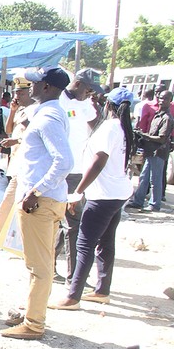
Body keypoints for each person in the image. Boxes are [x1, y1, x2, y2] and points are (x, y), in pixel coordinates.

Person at [1, 67, 74, 340]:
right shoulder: (49, 113)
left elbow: (64, 161)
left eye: (34, 83)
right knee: (40, 263)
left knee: (39, 267)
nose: (28, 86)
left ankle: (34, 324)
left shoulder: (49, 117)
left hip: (41, 201)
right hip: (47, 199)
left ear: (46, 87)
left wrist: (35, 191)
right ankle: (33, 313)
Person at [51, 87, 136, 310]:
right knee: (106, 241)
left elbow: (99, 162)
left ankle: (73, 296)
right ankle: (101, 290)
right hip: (118, 192)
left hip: (103, 195)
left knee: (84, 243)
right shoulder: (123, 128)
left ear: (108, 105)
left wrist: (78, 192)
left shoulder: (109, 127)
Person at [56, 68, 103, 283]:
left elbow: (97, 127)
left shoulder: (86, 104)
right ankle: (70, 276)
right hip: (60, 170)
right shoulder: (58, 100)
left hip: (77, 172)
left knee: (72, 223)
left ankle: (68, 274)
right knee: (65, 223)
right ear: (78, 83)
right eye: (89, 89)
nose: (90, 94)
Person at [0, 76, 34, 237]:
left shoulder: (36, 111)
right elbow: (9, 129)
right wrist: (13, 111)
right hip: (16, 160)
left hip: (26, 162)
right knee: (11, 199)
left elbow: (33, 136)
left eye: (21, 93)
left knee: (10, 199)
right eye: (16, 93)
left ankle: (0, 234)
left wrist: (16, 140)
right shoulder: (22, 110)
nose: (17, 96)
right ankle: (2, 234)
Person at [127, 90, 173, 212]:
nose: (161, 100)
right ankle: (138, 201)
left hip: (158, 152)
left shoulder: (167, 118)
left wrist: (145, 136)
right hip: (150, 151)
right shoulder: (158, 115)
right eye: (160, 98)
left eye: (165, 99)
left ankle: (154, 204)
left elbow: (161, 138)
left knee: (155, 180)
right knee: (143, 177)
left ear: (170, 101)